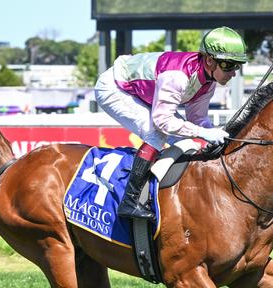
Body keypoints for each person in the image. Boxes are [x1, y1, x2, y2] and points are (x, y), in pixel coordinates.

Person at [95, 26, 248, 220]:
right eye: (229, 65)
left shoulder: (208, 82)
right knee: (158, 133)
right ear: (209, 60)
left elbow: (196, 120)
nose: (233, 72)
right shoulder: (178, 76)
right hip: (114, 87)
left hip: (143, 92)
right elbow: (163, 121)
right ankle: (130, 200)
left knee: (186, 141)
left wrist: (214, 133)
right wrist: (204, 133)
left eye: (237, 65)